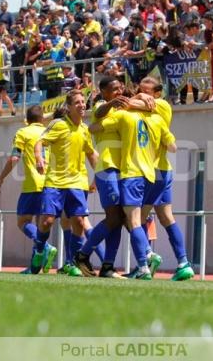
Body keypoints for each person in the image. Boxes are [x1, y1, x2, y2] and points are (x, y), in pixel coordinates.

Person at [89, 87, 177, 280]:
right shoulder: (158, 118)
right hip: (153, 175)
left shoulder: (123, 116)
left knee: (131, 220)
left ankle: (145, 262)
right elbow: (173, 147)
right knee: (146, 218)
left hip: (130, 173)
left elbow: (93, 127)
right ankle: (172, 259)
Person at [74, 76, 156, 279]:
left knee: (118, 219)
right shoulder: (103, 106)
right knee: (113, 217)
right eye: (113, 90)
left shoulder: (124, 110)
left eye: (120, 89)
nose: (118, 92)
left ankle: (108, 265)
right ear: (103, 92)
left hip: (124, 169)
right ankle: (83, 254)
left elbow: (146, 108)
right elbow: (98, 113)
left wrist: (140, 96)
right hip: (107, 167)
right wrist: (112, 102)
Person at [33, 90, 98, 277]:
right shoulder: (59, 125)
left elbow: (91, 154)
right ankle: (39, 249)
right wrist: (39, 158)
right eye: (77, 102)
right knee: (47, 222)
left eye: (83, 102)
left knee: (78, 221)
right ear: (68, 107)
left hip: (78, 182)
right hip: (55, 180)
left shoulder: (85, 129)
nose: (81, 105)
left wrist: (99, 176)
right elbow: (40, 142)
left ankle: (71, 262)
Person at [139, 77, 194, 281]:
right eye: (140, 90)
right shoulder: (149, 107)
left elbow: (134, 104)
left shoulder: (160, 105)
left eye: (147, 91)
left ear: (158, 93)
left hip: (153, 170)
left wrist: (136, 97)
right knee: (165, 217)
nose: (143, 95)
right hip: (162, 168)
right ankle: (183, 263)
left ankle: (145, 258)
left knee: (136, 217)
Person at [0, 105, 58, 274]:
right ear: (42, 119)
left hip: (33, 184)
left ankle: (45, 246)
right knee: (41, 225)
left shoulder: (23, 133)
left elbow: (15, 158)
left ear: (27, 120)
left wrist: (1, 178)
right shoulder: (49, 132)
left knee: (23, 222)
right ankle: (34, 267)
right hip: (52, 184)